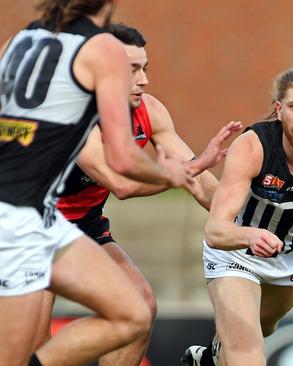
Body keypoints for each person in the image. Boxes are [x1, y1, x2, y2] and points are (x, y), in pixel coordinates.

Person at [30, 23, 242, 366]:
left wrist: (251, 224)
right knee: (30, 348)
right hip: (31, 229)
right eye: (132, 70)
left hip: (83, 226)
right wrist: (188, 169)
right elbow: (122, 184)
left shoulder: (151, 110)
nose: (144, 79)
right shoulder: (72, 117)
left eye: (145, 68)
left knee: (141, 307)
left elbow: (200, 183)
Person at [0, 1, 195, 365]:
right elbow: (121, 160)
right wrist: (170, 173)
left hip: (40, 216)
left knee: (134, 312)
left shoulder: (21, 39)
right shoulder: (102, 48)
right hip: (16, 219)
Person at [180, 63, 293, 366]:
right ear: (279, 109)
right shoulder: (253, 146)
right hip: (235, 253)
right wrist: (250, 235)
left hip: (292, 259)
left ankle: (211, 358)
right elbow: (216, 229)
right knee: (248, 357)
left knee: (262, 329)